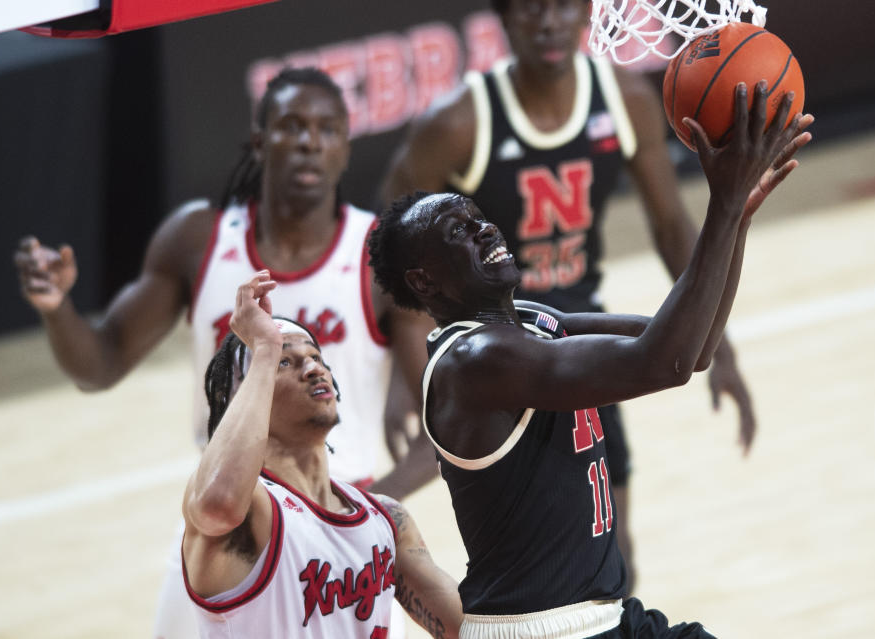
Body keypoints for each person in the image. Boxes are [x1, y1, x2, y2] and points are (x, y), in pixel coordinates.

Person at [368, 84, 812, 637]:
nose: (485, 228)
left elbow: (690, 347)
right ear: (424, 280)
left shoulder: (521, 320)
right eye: (459, 231)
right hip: (547, 630)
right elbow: (663, 362)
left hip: (607, 620)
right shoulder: (475, 361)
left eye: (478, 216)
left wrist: (737, 215)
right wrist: (721, 205)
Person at [13, 67, 436, 638]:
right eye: (292, 126)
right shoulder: (198, 239)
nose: (311, 140)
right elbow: (101, 365)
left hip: (342, 519)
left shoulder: (378, 256)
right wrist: (58, 307)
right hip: (227, 518)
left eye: (327, 128)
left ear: (344, 149)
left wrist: (362, 514)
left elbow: (443, 423)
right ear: (260, 142)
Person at [379, 0, 759, 590]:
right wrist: (409, 377)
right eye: (532, 10)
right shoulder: (459, 123)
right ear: (503, 20)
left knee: (611, 548)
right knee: (538, 556)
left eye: (563, 7)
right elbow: (400, 250)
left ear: (587, 13)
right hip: (493, 353)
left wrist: (723, 344)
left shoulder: (624, 99)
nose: (549, 23)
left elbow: (669, 232)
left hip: (566, 330)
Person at [183, 271, 463, 638]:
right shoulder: (251, 511)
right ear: (243, 397)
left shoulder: (385, 520)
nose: (314, 368)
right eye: (286, 362)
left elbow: (465, 628)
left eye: (316, 357)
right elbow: (218, 505)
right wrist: (266, 348)